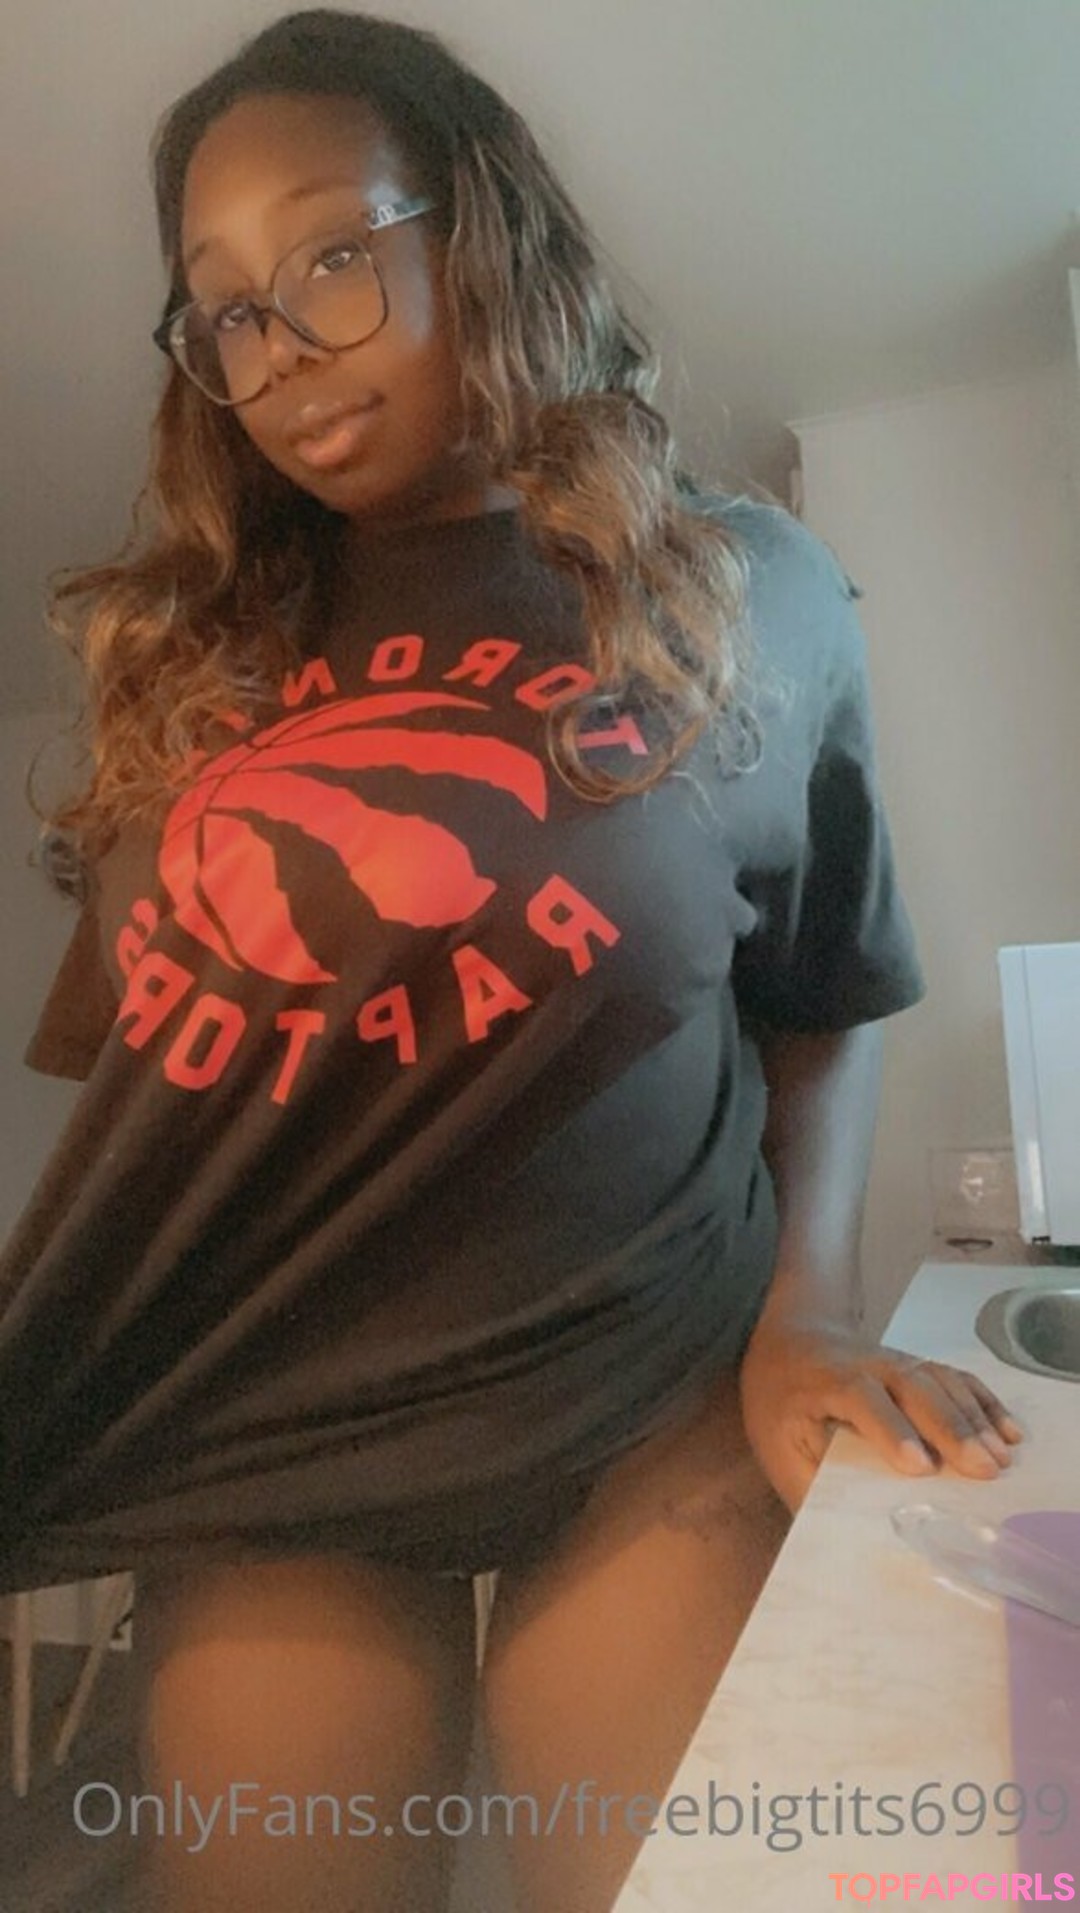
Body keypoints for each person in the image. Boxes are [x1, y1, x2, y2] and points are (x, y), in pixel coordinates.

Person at [2, 11, 1021, 1911]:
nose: (279, 351)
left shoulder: (742, 586)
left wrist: (807, 1311)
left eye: (332, 254)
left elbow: (825, 995)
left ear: (478, 228)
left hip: (644, 1394)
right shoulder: (181, 667)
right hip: (282, 1429)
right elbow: (163, 1101)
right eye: (223, 310)